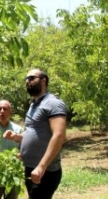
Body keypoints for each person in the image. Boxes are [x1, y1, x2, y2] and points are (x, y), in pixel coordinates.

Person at [4, 68, 67, 199]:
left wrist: (41, 167)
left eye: (31, 78)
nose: (27, 81)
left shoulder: (53, 103)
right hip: (31, 167)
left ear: (43, 81)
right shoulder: (34, 105)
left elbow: (59, 136)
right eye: (26, 79)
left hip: (45, 171)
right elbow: (34, 133)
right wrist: (16, 137)